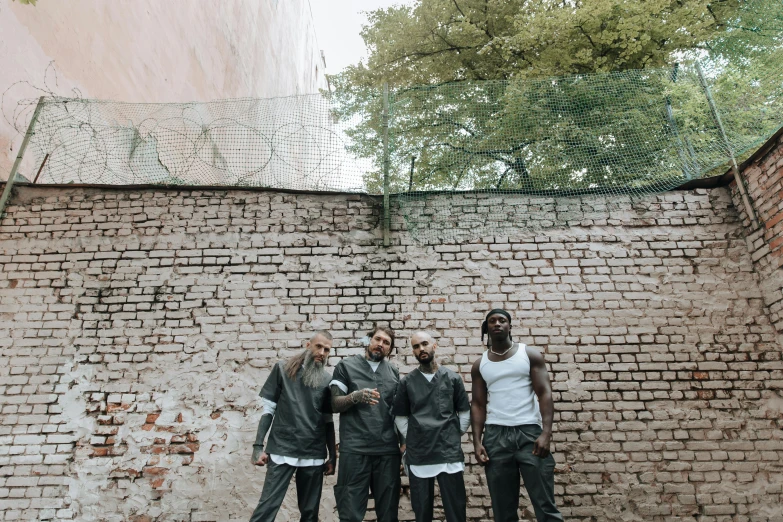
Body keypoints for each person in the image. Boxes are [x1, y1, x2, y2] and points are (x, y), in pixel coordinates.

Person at [471, 309, 563, 522]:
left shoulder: (529, 354)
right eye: (492, 321)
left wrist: (546, 434)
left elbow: (544, 393)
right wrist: (477, 442)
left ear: (510, 326)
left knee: (545, 505)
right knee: (503, 510)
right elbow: (478, 404)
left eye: (502, 320)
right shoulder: (480, 364)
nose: (497, 324)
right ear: (487, 328)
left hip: (529, 433)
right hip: (495, 437)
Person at [249, 331, 337, 522]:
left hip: (313, 453)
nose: (322, 352)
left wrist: (333, 455)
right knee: (266, 509)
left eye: (327, 350)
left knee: (309, 514)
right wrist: (258, 447)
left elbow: (328, 420)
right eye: (318, 346)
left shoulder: (327, 380)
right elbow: (268, 410)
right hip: (282, 448)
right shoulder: (282, 369)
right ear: (308, 345)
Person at [393, 331, 470, 522]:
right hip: (420, 454)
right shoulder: (407, 382)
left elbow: (465, 412)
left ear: (434, 346)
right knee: (422, 513)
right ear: (413, 352)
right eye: (416, 346)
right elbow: (400, 416)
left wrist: (453, 433)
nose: (421, 349)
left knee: (456, 511)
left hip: (448, 453)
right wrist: (414, 437)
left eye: (424, 344)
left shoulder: (452, 378)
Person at [329, 325, 402, 522]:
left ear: (390, 349)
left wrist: (403, 444)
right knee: (350, 513)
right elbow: (334, 404)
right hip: (355, 450)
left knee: (388, 514)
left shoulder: (394, 373)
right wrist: (355, 396)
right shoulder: (346, 367)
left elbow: (399, 412)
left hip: (387, 451)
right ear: (369, 340)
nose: (381, 344)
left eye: (386, 343)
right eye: (378, 339)